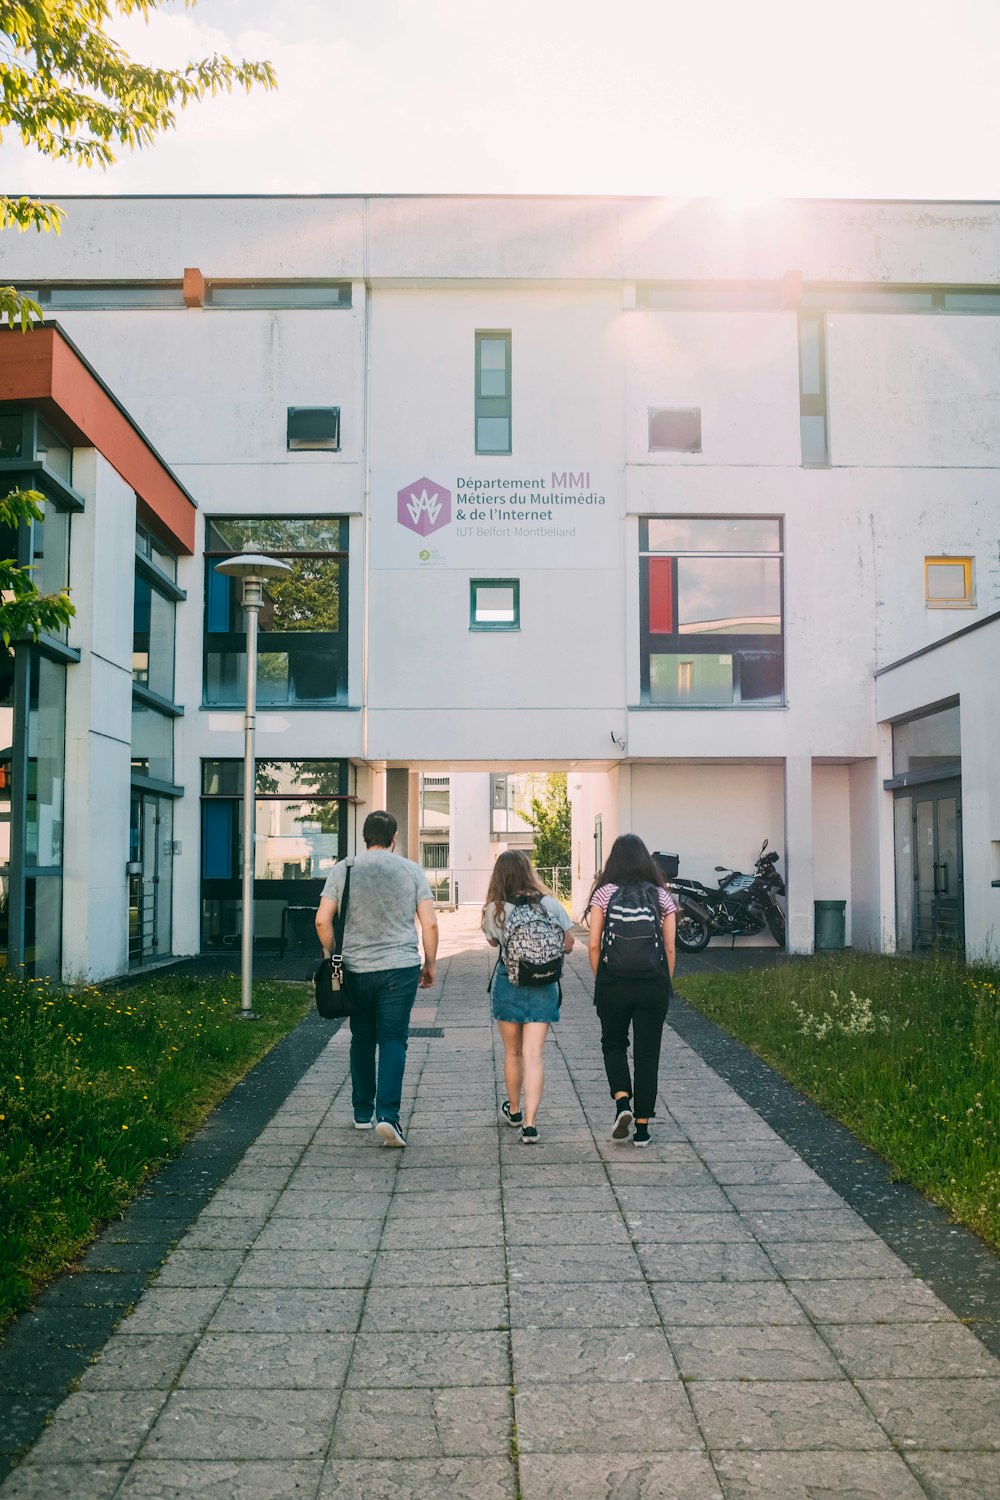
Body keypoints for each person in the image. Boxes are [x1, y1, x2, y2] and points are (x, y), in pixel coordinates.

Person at [315, 809, 438, 1148]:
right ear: (394, 839)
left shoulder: (345, 869)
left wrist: (332, 954)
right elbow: (429, 923)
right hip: (399, 968)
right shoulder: (412, 870)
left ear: (364, 837)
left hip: (355, 967)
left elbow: (322, 921)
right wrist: (430, 964)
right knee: (394, 1040)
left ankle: (360, 1113)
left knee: (362, 1038)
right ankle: (388, 1117)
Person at [586, 834, 677, 1147]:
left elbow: (594, 943)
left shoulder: (604, 893)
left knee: (613, 1044)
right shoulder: (662, 896)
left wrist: (603, 979)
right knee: (647, 1054)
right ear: (645, 861)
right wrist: (665, 982)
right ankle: (641, 1128)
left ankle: (622, 1102)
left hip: (614, 983)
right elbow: (669, 947)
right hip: (652, 984)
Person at [481, 851, 574, 1144]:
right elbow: (569, 944)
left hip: (509, 984)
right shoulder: (549, 904)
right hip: (544, 986)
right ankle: (531, 1125)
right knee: (534, 1056)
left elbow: (493, 941)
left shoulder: (495, 908)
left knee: (512, 1053)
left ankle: (516, 1111)